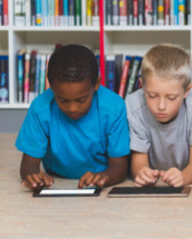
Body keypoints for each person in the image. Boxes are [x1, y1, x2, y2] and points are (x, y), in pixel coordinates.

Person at [16, 45, 130, 190]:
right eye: (62, 100)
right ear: (51, 86)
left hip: (102, 179)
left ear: (96, 84)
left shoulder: (114, 108)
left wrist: (104, 177)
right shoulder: (40, 109)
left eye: (81, 100)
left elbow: (120, 167)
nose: (72, 109)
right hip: (57, 180)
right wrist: (34, 177)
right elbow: (28, 167)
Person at [126, 44, 192, 187]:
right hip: (153, 188)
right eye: (152, 95)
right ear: (142, 86)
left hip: (188, 183)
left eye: (171, 98)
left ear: (186, 91)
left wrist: (182, 178)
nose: (161, 106)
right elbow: (138, 162)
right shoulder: (134, 105)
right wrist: (142, 174)